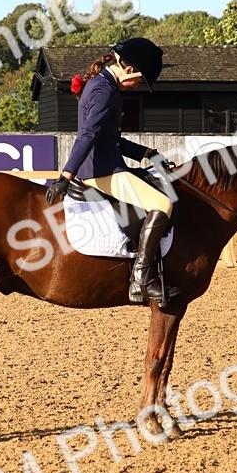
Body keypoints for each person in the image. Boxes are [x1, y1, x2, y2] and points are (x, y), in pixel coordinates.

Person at [45, 37, 180, 307]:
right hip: (101, 172)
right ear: (129, 69)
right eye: (140, 80)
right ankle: (141, 279)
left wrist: (147, 153)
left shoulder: (104, 86)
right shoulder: (103, 90)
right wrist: (66, 176)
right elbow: (88, 136)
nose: (138, 86)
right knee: (163, 203)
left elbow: (111, 140)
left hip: (107, 163)